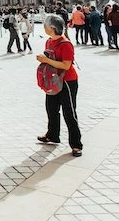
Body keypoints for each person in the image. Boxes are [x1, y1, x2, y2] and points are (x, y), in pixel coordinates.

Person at [36, 15, 83, 157]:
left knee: (69, 112)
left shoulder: (65, 44)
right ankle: (52, 135)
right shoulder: (49, 42)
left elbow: (66, 65)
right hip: (53, 80)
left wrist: (46, 60)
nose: (44, 28)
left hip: (67, 81)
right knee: (51, 109)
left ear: (52, 28)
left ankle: (76, 145)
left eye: (45, 26)